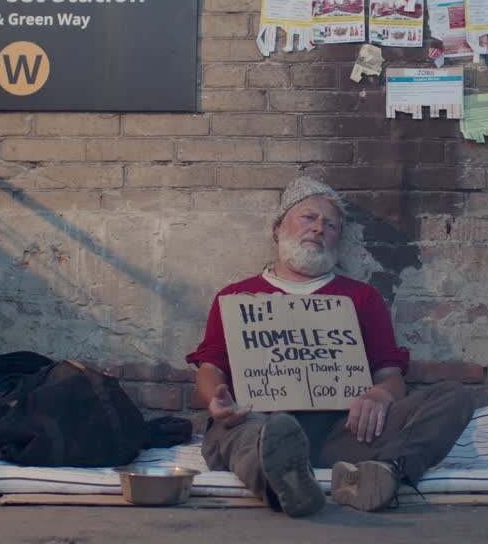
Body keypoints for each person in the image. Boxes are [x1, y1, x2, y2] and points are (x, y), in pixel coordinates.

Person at [185, 176, 473, 517]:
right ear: (278, 228)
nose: (320, 229)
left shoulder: (361, 298)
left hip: (341, 431)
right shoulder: (235, 297)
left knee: (455, 396)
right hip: (258, 422)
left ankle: (387, 473)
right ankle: (285, 485)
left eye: (331, 225)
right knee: (244, 435)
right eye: (309, 217)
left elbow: (390, 375)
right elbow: (210, 368)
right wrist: (216, 400)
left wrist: (381, 395)